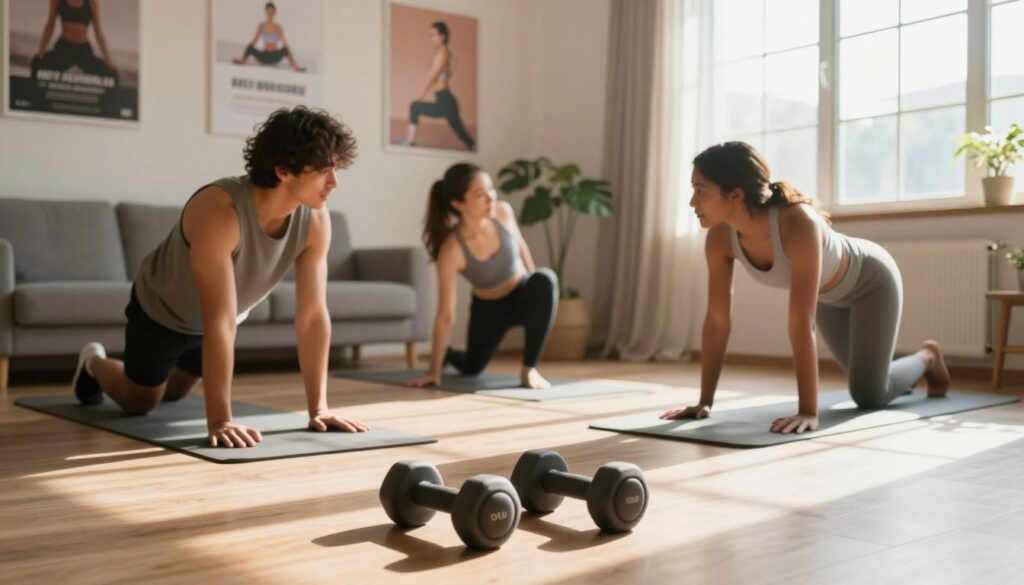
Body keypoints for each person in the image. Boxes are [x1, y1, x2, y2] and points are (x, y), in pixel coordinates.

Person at [70, 106, 367, 448]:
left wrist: (319, 408)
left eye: (336, 168)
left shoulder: (315, 220)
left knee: (176, 392)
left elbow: (313, 317)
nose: (335, 182)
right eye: (324, 171)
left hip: (215, 323)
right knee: (141, 401)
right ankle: (92, 361)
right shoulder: (219, 210)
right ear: (284, 170)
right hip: (162, 313)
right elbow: (219, 320)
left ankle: (159, 377)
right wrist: (221, 420)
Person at [661, 142, 951, 434]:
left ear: (734, 195)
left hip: (873, 283)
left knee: (869, 395)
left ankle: (928, 356)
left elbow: (801, 322)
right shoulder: (720, 239)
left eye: (700, 191)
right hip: (828, 296)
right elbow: (717, 320)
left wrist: (808, 412)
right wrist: (704, 402)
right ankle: (900, 374)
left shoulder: (798, 224)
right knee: (870, 382)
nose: (692, 202)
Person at [406, 163, 557, 389]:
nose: (491, 198)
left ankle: (529, 369)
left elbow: (522, 247)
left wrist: (535, 288)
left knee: (544, 280)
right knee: (472, 367)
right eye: (480, 194)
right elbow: (445, 315)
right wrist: (433, 372)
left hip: (521, 292)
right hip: (489, 311)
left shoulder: (503, 212)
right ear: (458, 204)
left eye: (491, 189)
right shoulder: (452, 250)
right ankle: (448, 355)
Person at [396, 21, 475, 150]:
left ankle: (410, 141)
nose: (431, 39)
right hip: (445, 100)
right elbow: (450, 69)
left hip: (445, 101)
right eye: (430, 35)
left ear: (442, 36)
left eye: (434, 35)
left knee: (414, 107)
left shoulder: (442, 53)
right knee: (466, 138)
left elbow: (431, 77)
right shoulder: (445, 53)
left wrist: (419, 96)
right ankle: (409, 140)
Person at [31, 0, 118, 83]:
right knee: (37, 64)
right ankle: (39, 96)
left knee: (112, 74)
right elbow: (50, 25)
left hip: (83, 50)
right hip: (64, 49)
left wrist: (108, 59)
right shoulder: (57, 1)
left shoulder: (92, 3)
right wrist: (41, 50)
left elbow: (98, 32)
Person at [232, 2, 306, 72]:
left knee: (286, 49)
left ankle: (296, 67)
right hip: (264, 57)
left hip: (274, 57)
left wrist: (289, 54)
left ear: (274, 12)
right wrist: (249, 48)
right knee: (249, 46)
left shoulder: (278, 27)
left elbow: (284, 43)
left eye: (271, 11)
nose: (270, 13)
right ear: (265, 12)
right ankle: (242, 61)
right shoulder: (261, 25)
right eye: (268, 11)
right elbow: (255, 40)